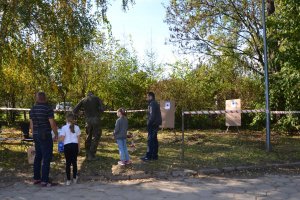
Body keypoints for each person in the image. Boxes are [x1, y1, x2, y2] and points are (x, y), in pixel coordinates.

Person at [29, 92, 58, 187]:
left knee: (38, 156)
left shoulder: (32, 109)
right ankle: (45, 180)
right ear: (45, 98)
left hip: (36, 134)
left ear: (37, 99)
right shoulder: (48, 108)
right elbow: (52, 123)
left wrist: (33, 134)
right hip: (45, 135)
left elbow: (31, 124)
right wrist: (56, 134)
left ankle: (36, 178)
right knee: (46, 157)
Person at [73, 92, 105, 161]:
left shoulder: (83, 99)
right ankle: (91, 155)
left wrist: (82, 113)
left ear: (87, 94)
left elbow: (74, 110)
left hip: (87, 121)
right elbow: (102, 109)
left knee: (88, 136)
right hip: (96, 120)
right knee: (95, 137)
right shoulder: (97, 98)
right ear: (93, 94)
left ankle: (87, 153)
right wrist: (98, 110)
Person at [60, 113, 81, 186]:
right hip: (75, 146)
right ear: (73, 119)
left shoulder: (64, 128)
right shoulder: (77, 127)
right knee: (74, 162)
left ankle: (68, 180)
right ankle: (75, 178)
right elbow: (78, 139)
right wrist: (79, 148)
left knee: (68, 163)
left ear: (66, 119)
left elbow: (62, 139)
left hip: (67, 146)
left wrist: (57, 138)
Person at [141, 92, 162, 161]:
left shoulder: (152, 104)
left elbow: (152, 115)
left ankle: (148, 156)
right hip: (155, 124)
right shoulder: (154, 103)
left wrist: (148, 123)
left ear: (150, 97)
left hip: (153, 125)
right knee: (154, 140)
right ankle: (154, 156)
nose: (146, 98)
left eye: (147, 96)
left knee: (150, 140)